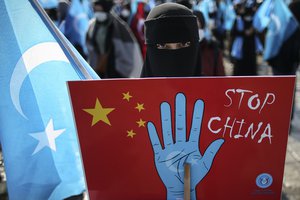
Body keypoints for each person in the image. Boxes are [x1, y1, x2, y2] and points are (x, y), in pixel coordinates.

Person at [141, 2, 202, 77]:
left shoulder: (215, 88)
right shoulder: (132, 89)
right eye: (162, 45)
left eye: (184, 44)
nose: (174, 60)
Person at [86, 0, 143, 78]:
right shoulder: (92, 26)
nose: (97, 13)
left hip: (114, 72)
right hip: (97, 69)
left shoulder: (119, 27)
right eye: (95, 11)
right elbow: (89, 47)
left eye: (100, 11)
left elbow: (129, 51)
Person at [230, 0, 258, 76]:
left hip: (250, 47)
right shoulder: (238, 19)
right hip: (240, 47)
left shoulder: (253, 19)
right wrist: (244, 33)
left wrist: (252, 30)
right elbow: (233, 32)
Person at [194, 10, 225, 76]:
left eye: (197, 27)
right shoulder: (183, 50)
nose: (196, 31)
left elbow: (220, 76)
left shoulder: (212, 48)